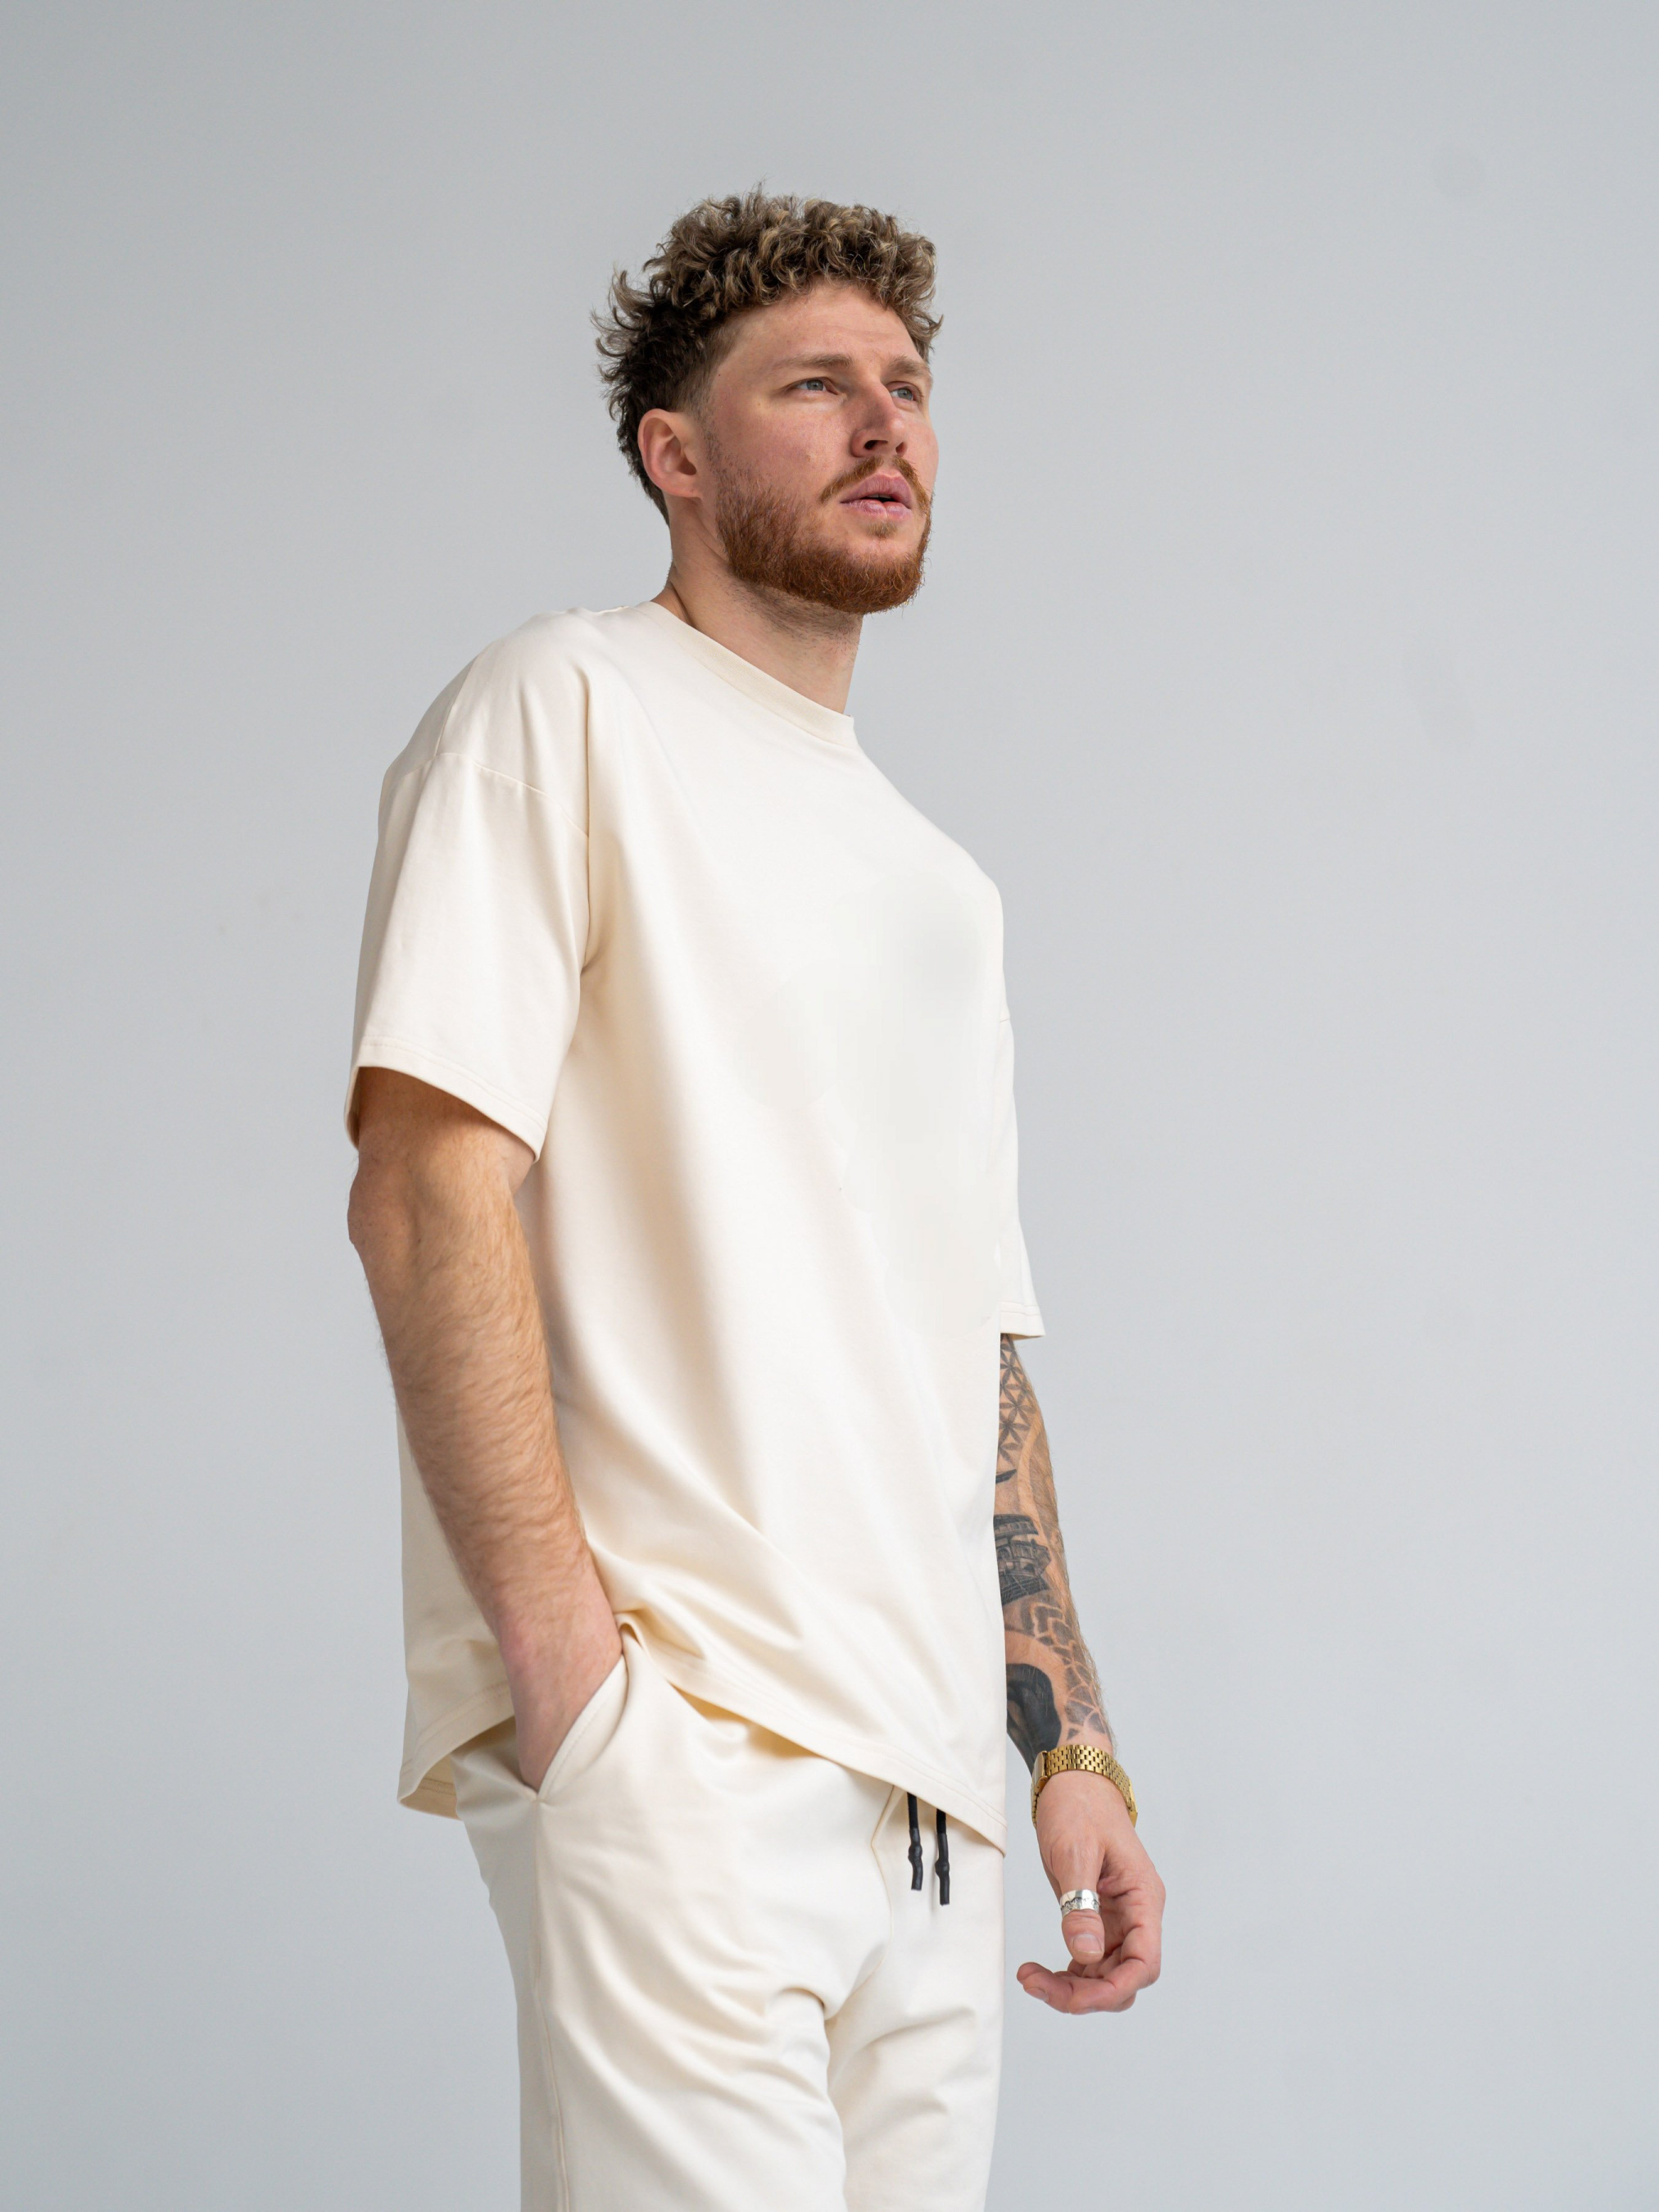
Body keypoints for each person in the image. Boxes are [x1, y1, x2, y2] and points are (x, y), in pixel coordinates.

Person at [345, 189, 1164, 2212]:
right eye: (812, 387)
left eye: (906, 385)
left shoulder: (943, 890)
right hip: (684, 1747)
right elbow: (426, 1184)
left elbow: (974, 1353)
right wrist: (579, 1691)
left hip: (933, 1816)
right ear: (676, 457)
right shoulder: (564, 707)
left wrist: (1066, 1750)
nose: (884, 425)